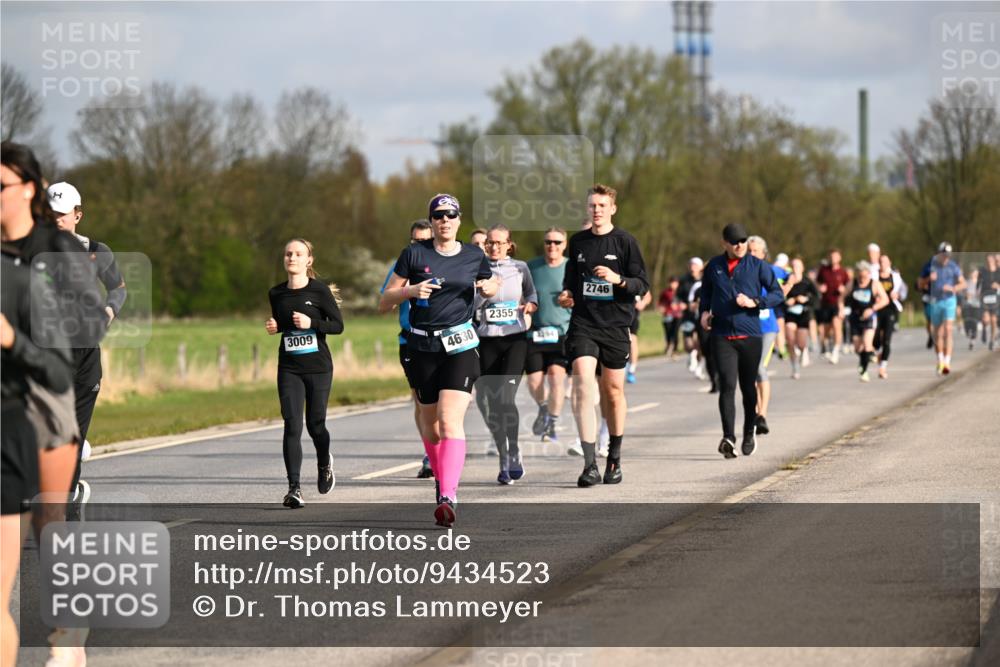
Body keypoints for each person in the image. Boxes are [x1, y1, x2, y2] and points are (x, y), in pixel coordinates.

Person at [2, 141, 107, 667]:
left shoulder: (61, 251)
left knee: (48, 510)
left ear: (27, 190)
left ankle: (68, 629)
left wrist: (17, 340)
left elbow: (86, 331)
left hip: (49, 395)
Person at [379, 194, 498, 526]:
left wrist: (490, 287)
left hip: (461, 345)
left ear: (459, 220)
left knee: (449, 420)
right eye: (438, 216)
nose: (445, 220)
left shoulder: (474, 254)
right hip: (421, 348)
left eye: (451, 215)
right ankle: (441, 477)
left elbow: (490, 281)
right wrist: (410, 292)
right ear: (431, 222)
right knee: (431, 427)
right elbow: (384, 300)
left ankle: (448, 495)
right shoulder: (414, 254)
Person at [558, 184, 649, 487]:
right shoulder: (579, 242)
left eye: (601, 205)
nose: (596, 210)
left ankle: (614, 458)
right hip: (584, 324)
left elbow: (642, 285)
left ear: (612, 208)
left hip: (615, 327)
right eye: (592, 206)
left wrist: (618, 280)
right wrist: (567, 294)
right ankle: (589, 464)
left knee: (612, 392)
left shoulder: (625, 242)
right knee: (584, 383)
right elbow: (571, 278)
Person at [46, 181, 128, 518]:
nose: (56, 221)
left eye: (62, 215)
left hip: (86, 356)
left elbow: (118, 287)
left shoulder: (98, 251)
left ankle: (67, 503)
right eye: (50, 215)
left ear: (77, 215)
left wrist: (110, 311)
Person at [266, 239, 345, 508]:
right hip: (289, 367)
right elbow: (284, 323)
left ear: (308, 260)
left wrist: (312, 323)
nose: (292, 258)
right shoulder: (276, 293)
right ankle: (294, 488)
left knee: (315, 425)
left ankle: (324, 462)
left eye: (298, 254)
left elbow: (337, 326)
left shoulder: (319, 291)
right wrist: (276, 326)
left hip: (318, 368)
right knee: (292, 424)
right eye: (288, 253)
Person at [699, 223, 783, 458]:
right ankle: (728, 437)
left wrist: (755, 302)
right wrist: (704, 312)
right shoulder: (714, 266)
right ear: (724, 243)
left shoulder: (758, 266)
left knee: (748, 388)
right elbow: (705, 294)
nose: (740, 245)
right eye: (735, 241)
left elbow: (778, 294)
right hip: (721, 335)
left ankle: (749, 431)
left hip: (750, 336)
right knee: (726, 386)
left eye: (743, 241)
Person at [473, 225, 537, 484]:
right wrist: (482, 292)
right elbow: (468, 305)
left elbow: (532, 293)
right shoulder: (477, 269)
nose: (494, 247)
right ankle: (503, 455)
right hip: (487, 341)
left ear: (509, 244)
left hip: (514, 340)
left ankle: (513, 450)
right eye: (490, 243)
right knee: (493, 404)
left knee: (506, 398)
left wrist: (531, 305)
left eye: (499, 243)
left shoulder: (520, 267)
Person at [379, 220, 434, 478]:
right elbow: (383, 303)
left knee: (445, 402)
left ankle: (443, 446)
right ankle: (429, 454)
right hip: (410, 341)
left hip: (443, 342)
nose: (419, 245)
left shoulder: (446, 262)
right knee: (421, 402)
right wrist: (407, 290)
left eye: (425, 241)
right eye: (415, 241)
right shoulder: (403, 267)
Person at [526, 227, 572, 445]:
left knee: (556, 377)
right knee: (534, 380)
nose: (552, 246)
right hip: (534, 333)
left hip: (561, 333)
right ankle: (544, 409)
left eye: (557, 242)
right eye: (548, 242)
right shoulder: (531, 266)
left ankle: (551, 423)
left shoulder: (571, 267)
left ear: (564, 244)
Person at [747, 236, 792, 435]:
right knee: (749, 372)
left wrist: (787, 287)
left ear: (764, 254)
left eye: (755, 251)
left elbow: (790, 276)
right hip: (747, 327)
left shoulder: (771, 270)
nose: (751, 254)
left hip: (767, 328)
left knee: (759, 367)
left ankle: (762, 414)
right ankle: (755, 413)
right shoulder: (741, 272)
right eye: (749, 250)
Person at [918, 242, 966, 375]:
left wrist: (953, 288)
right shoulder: (929, 266)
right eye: (944, 255)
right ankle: (940, 360)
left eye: (948, 255)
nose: (946, 258)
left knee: (948, 330)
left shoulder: (953, 266)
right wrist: (928, 279)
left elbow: (963, 283)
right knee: (937, 333)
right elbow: (919, 284)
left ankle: (947, 362)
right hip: (935, 301)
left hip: (949, 300)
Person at [846, 261, 890, 382]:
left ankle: (864, 371)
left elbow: (885, 300)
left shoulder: (874, 284)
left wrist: (872, 309)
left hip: (870, 318)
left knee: (866, 344)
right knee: (857, 348)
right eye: (860, 275)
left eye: (864, 275)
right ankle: (872, 356)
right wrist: (840, 308)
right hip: (855, 318)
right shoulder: (852, 283)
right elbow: (841, 297)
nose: (862, 277)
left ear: (869, 273)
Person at [784, 257, 819, 379]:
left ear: (802, 268)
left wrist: (806, 299)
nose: (795, 268)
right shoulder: (786, 280)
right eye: (793, 266)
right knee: (790, 338)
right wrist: (788, 301)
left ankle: (803, 350)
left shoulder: (808, 282)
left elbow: (816, 298)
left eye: (798, 266)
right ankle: (795, 367)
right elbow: (778, 295)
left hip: (804, 313)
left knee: (801, 343)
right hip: (790, 313)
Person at [816, 248, 849, 364]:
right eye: (831, 256)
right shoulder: (823, 270)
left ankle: (835, 351)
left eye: (836, 256)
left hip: (838, 304)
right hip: (825, 304)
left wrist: (844, 290)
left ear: (840, 258)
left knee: (836, 325)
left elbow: (849, 288)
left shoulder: (843, 272)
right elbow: (817, 283)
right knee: (826, 330)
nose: (833, 258)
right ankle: (827, 346)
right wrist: (820, 288)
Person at [874, 254, 905, 378]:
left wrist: (898, 295)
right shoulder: (874, 276)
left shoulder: (895, 277)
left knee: (886, 339)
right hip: (876, 309)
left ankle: (883, 367)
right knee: (875, 340)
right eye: (881, 262)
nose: (883, 264)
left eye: (885, 262)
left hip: (891, 309)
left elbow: (904, 291)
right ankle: (878, 353)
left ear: (889, 263)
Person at [678, 258, 704, 375]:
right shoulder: (684, 280)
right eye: (691, 265)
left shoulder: (706, 279)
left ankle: (699, 364)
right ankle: (691, 354)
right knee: (688, 341)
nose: (692, 267)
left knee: (700, 342)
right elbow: (677, 296)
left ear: (700, 267)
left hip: (702, 314)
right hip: (688, 314)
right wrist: (680, 303)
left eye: (695, 265)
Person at [626, 290, 652, 383]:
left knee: (632, 340)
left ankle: (631, 370)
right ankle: (623, 364)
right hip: (616, 312)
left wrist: (643, 303)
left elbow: (647, 295)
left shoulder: (635, 275)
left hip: (633, 313)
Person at [658, 276, 682, 358]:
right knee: (668, 332)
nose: (673, 285)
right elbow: (660, 303)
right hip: (668, 315)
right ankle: (668, 345)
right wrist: (661, 308)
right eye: (672, 283)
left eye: (675, 283)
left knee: (675, 332)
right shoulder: (665, 292)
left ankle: (675, 350)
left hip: (677, 315)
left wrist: (678, 306)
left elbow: (684, 304)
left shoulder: (680, 292)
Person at [979, 253, 1000, 351]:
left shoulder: (998, 272)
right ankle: (984, 328)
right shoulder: (983, 271)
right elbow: (978, 284)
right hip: (985, 297)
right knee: (986, 319)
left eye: (991, 261)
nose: (990, 262)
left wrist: (998, 286)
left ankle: (992, 340)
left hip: (995, 298)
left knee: (993, 320)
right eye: (988, 261)